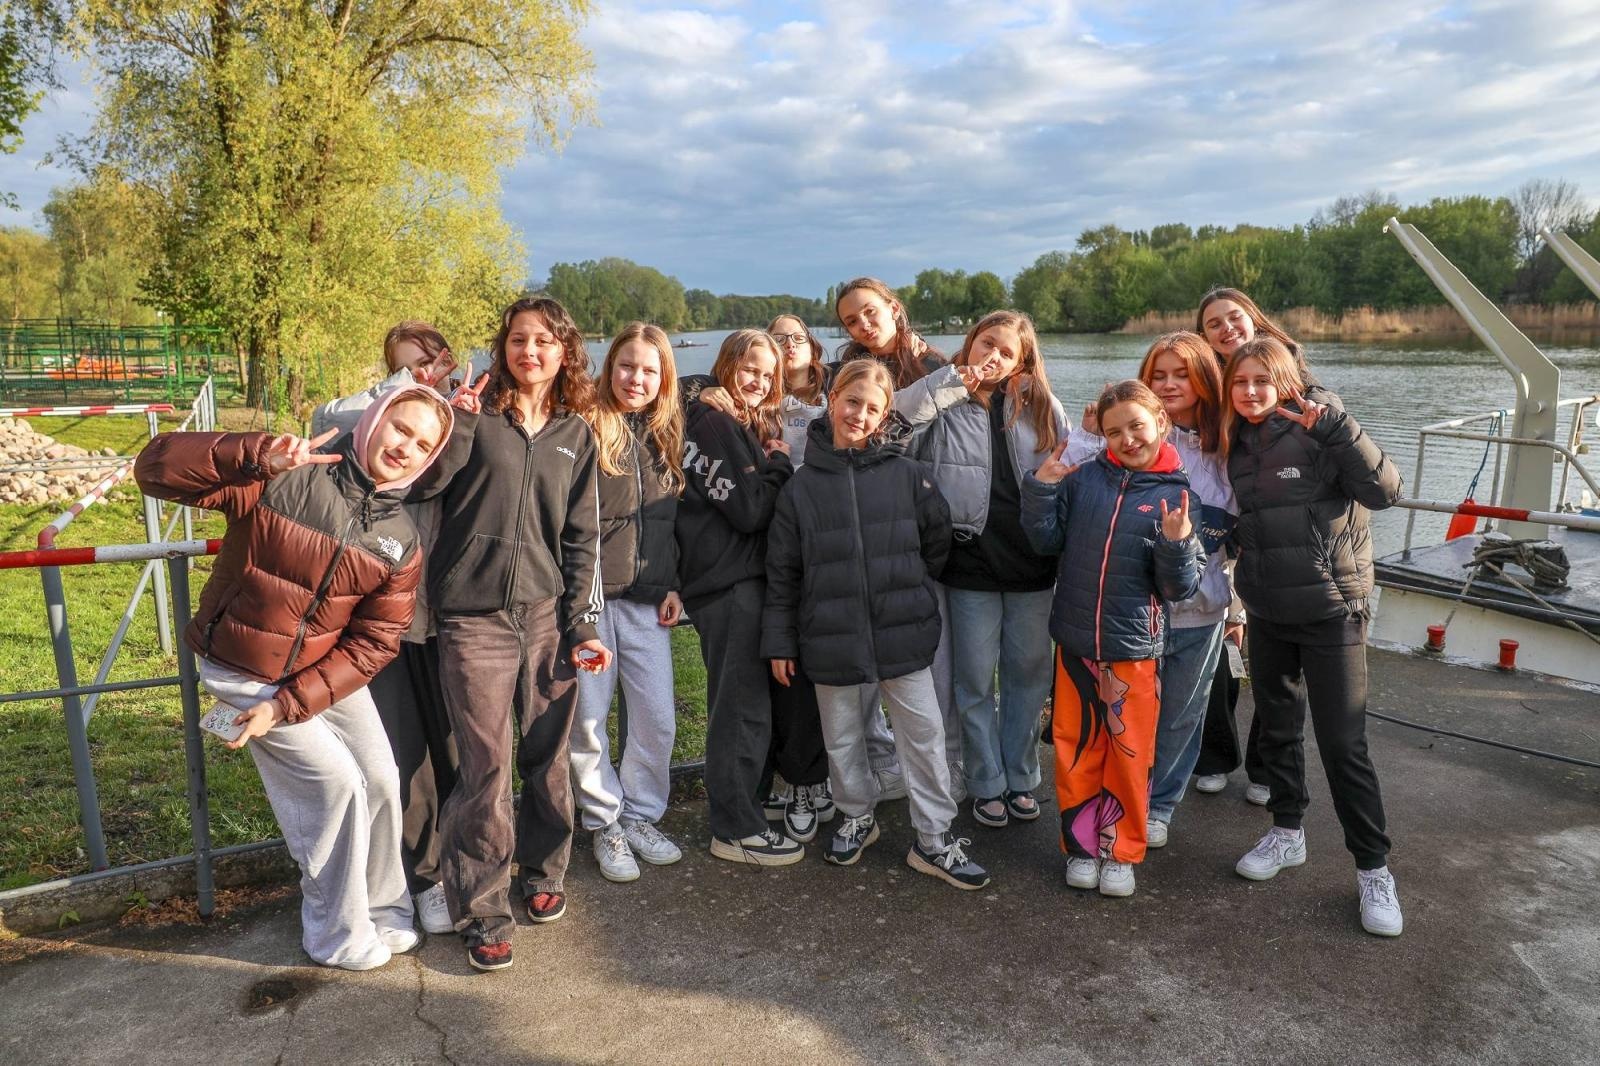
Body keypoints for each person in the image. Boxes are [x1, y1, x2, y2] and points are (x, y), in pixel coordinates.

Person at [134, 383, 453, 970]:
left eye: (422, 443)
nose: (406, 447)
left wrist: (293, 702)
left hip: (313, 677)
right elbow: (154, 469)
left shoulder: (400, 540)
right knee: (336, 787)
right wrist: (256, 452)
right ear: (374, 421)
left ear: (431, 458)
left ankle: (385, 908)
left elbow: (375, 642)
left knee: (382, 777)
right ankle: (334, 932)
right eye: (400, 428)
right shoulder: (281, 477)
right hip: (243, 670)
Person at [426, 295, 610, 972]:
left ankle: (545, 870)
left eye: (544, 341)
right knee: (486, 767)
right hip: (472, 618)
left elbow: (582, 540)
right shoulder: (474, 416)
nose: (529, 351)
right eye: (518, 340)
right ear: (503, 347)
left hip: (544, 617)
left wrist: (581, 626)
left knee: (546, 753)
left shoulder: (576, 434)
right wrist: (461, 426)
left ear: (565, 351)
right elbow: (430, 488)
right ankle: (482, 910)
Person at [763, 360, 989, 889]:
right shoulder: (800, 489)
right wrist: (780, 639)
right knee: (843, 738)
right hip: (829, 635)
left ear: (886, 414)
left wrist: (904, 587)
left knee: (925, 736)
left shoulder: (908, 475)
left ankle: (934, 839)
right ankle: (856, 814)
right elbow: (784, 571)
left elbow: (934, 544)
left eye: (872, 407)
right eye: (851, 401)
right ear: (832, 398)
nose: (858, 415)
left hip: (901, 631)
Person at [1222, 336, 1405, 937]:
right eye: (1239, 382)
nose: (1250, 393)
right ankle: (1286, 833)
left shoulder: (1321, 425)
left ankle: (1373, 871)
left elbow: (1385, 491)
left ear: (1284, 380)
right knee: (1277, 728)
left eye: (1260, 381)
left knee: (1343, 745)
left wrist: (1340, 430)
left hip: (1332, 611)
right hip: (1269, 610)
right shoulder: (1238, 441)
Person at [1021, 380, 1204, 899]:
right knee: (1075, 749)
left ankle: (1122, 849)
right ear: (1100, 435)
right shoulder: (1084, 481)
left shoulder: (1178, 492)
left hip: (1133, 651)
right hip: (1077, 642)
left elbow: (1180, 588)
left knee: (1128, 753)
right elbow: (1045, 541)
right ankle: (1081, 845)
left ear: (1161, 424)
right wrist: (1042, 487)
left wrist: (1175, 544)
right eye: (1114, 431)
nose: (1127, 439)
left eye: (1136, 426)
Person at [310, 321, 463, 937]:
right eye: (405, 368)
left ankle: (467, 868)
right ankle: (421, 877)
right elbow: (326, 415)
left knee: (459, 749)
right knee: (403, 755)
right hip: (387, 615)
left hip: (456, 610)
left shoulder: (468, 416)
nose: (423, 375)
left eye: (428, 362)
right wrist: (401, 388)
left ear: (450, 358)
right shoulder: (384, 419)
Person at [904, 310, 1068, 828]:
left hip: (1032, 562)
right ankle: (984, 780)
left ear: (1023, 360)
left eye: (1006, 351)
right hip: (969, 560)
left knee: (1028, 675)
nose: (992, 357)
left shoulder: (1042, 404)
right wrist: (945, 383)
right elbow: (896, 429)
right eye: (985, 344)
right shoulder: (945, 398)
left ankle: (1020, 774)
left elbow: (1071, 465)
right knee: (974, 680)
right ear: (970, 344)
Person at [1075, 333, 1240, 847]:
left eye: (1181, 374)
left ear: (1205, 380)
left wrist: (1238, 606)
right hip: (1134, 612)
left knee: (1181, 715)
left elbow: (1241, 535)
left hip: (1202, 606)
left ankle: (1160, 803)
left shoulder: (1229, 448)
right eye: (1159, 374)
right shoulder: (1128, 441)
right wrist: (1088, 435)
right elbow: (1079, 489)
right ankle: (1119, 799)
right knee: (1123, 716)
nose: (1170, 384)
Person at [676, 328, 806, 866]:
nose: (758, 380)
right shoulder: (713, 422)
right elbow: (751, 511)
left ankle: (748, 805)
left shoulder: (726, 419)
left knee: (750, 705)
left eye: (767, 374)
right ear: (727, 365)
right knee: (740, 710)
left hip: (734, 581)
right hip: (728, 584)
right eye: (749, 368)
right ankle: (734, 829)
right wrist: (777, 464)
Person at [568, 323, 687, 882]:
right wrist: (578, 615)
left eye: (648, 369)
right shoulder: (586, 429)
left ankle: (641, 813)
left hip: (646, 603)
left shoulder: (666, 436)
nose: (636, 378)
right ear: (608, 366)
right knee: (589, 721)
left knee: (657, 718)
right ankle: (604, 821)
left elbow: (669, 525)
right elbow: (573, 529)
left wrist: (672, 584)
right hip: (591, 606)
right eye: (626, 365)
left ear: (663, 376)